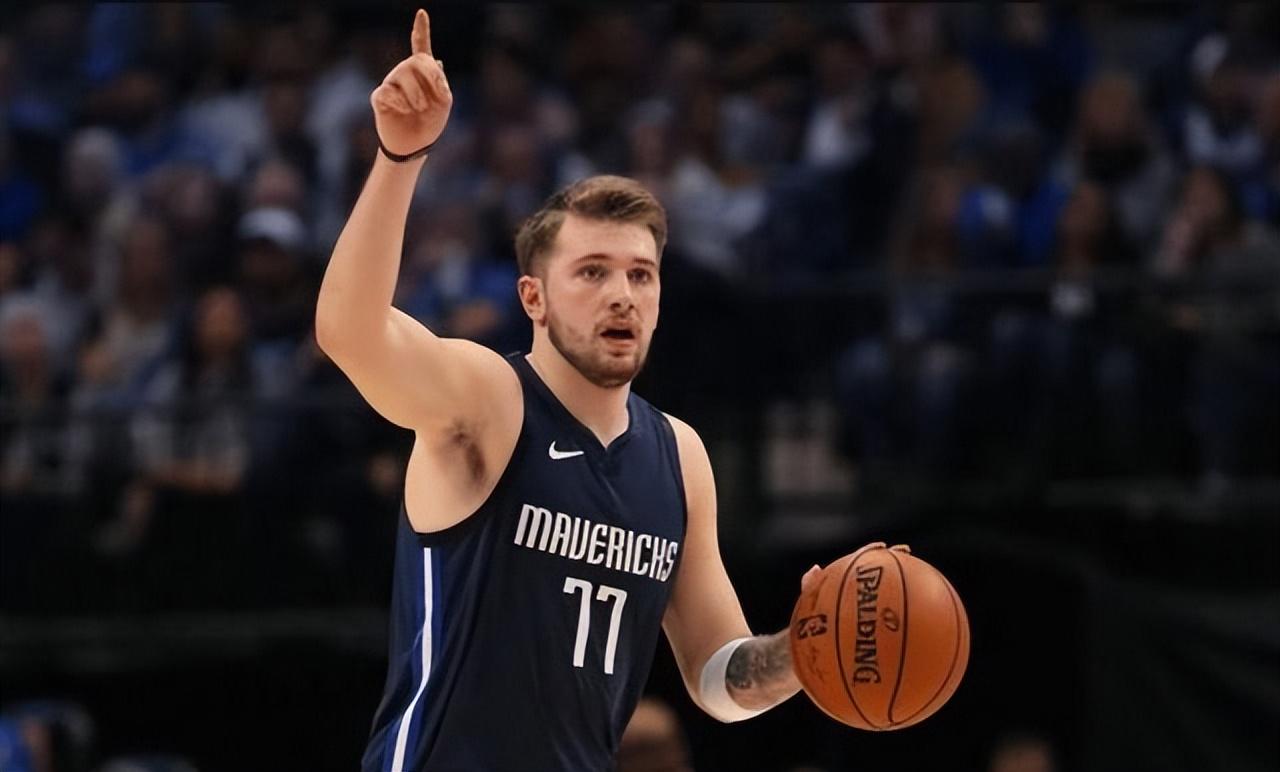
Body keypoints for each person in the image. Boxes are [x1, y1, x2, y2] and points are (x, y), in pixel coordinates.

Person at [316, 10, 840, 771]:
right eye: (592, 272)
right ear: (533, 298)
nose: (622, 294)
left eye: (641, 275)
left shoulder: (679, 455)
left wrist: (803, 651)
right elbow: (349, 332)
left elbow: (715, 678)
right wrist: (401, 158)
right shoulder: (490, 401)